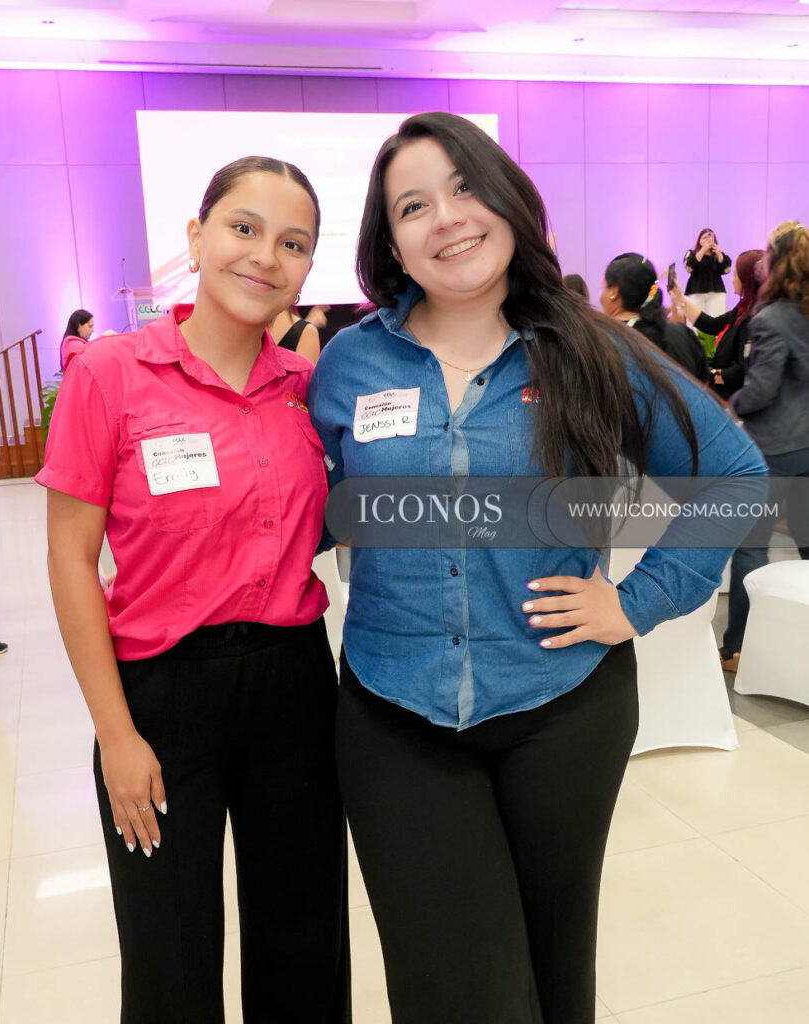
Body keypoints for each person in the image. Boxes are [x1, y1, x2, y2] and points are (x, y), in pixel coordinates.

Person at [308, 112, 766, 1024]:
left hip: (562, 708)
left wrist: (638, 602)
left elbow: (735, 477)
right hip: (395, 711)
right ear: (389, 240)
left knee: (559, 970)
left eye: (465, 187)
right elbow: (307, 503)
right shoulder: (349, 364)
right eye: (412, 204)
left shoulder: (592, 352)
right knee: (457, 989)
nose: (446, 217)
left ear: (510, 201)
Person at [36, 156, 350, 1024]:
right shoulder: (112, 373)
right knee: (168, 944)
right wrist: (115, 735)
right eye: (243, 229)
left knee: (302, 936)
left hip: (293, 681)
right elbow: (70, 560)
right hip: (162, 692)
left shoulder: (305, 390)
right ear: (197, 237)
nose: (264, 257)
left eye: (292, 244)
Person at [718, 222, 809, 671]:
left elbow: (761, 390)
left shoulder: (770, 319)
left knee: (750, 546)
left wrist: (731, 405)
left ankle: (740, 646)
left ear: (775, 263)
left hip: (772, 448)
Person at [671, 249, 766, 401]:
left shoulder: (752, 318)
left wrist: (711, 375)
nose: (732, 279)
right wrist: (680, 298)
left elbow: (742, 369)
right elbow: (711, 324)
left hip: (735, 400)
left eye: (735, 275)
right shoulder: (742, 309)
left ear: (746, 280)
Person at [601, 252, 708, 381]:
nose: (601, 297)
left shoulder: (606, 342)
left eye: (603, 288)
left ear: (614, 292)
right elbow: (704, 388)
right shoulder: (681, 333)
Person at [683, 228, 732, 316]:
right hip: (696, 291)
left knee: (716, 319)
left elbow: (726, 269)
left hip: (716, 291)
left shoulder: (718, 254)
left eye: (710, 237)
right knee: (695, 321)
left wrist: (718, 253)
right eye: (704, 238)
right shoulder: (692, 253)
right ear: (699, 241)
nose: (707, 240)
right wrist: (703, 250)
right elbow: (689, 267)